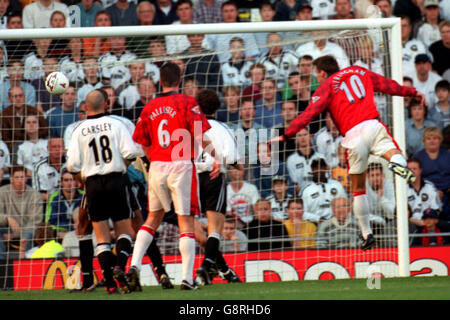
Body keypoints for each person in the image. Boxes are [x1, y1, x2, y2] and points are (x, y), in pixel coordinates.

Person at [268, 55, 426, 250]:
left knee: (358, 188)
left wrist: (285, 135)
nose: (317, 78)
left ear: (323, 72)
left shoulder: (326, 86)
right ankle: (398, 165)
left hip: (353, 136)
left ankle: (367, 233)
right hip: (372, 124)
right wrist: (412, 92)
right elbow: (389, 86)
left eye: (317, 73)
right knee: (393, 152)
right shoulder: (361, 72)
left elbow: (308, 114)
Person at [126, 62, 216, 291]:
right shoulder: (187, 103)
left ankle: (134, 266)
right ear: (180, 80)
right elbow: (200, 136)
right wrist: (216, 158)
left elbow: (142, 141)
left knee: (152, 218)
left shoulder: (149, 107)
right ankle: (187, 278)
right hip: (181, 164)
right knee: (185, 220)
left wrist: (153, 160)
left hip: (157, 165)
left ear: (160, 81)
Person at [67, 89, 139, 294]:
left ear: (85, 108)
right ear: (106, 104)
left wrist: (82, 181)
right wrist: (122, 165)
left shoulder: (78, 130)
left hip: (93, 184)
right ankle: (119, 266)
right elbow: (131, 153)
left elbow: (72, 165)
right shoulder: (117, 124)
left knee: (102, 238)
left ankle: (109, 284)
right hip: (116, 179)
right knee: (125, 232)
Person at [193, 88, 242, 286]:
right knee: (215, 229)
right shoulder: (223, 129)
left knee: (194, 231)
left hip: (191, 179)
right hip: (213, 177)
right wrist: (239, 166)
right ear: (218, 107)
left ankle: (223, 270)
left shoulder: (191, 127)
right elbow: (232, 159)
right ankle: (205, 267)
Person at [0, 166, 43, 261]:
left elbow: (36, 222)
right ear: (11, 179)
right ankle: (1, 263)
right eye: (17, 177)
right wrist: (7, 218)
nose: (19, 180)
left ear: (26, 179)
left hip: (27, 230)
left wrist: (15, 234)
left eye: (22, 177)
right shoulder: (2, 192)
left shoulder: (35, 195)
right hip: (7, 228)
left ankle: (24, 263)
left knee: (27, 235)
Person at [0, 86, 48, 153]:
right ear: (9, 99)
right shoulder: (4, 115)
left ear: (24, 97)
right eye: (15, 96)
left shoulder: (35, 112)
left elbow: (45, 131)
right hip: (14, 149)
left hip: (36, 145)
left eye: (20, 96)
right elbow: (6, 139)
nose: (18, 99)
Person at [301, 157, 348, 223]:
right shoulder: (307, 191)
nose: (319, 170)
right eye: (316, 167)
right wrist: (318, 219)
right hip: (316, 224)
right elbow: (303, 213)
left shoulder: (337, 185)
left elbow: (345, 204)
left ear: (326, 168)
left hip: (337, 222)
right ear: (312, 170)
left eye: (321, 167)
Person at [44, 169, 83, 240]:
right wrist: (67, 231)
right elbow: (50, 221)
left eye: (72, 180)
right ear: (61, 183)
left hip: (81, 232)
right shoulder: (54, 197)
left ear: (76, 182)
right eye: (66, 180)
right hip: (60, 234)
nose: (69, 183)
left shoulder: (83, 196)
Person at [286, 127, 324, 195]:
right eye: (299, 135)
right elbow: (295, 185)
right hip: (302, 196)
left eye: (305, 134)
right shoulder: (291, 160)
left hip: (320, 194)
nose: (303, 138)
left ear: (310, 137)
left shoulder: (321, 157)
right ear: (295, 139)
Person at [407, 157, 442, 231]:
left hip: (429, 223)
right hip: (410, 224)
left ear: (420, 170)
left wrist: (427, 222)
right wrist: (417, 222)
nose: (412, 171)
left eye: (414, 169)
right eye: (409, 169)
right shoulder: (402, 190)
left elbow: (437, 210)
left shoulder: (430, 187)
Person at [414, 126, 450, 196]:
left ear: (440, 140)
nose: (432, 141)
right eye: (428, 139)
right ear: (424, 141)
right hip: (426, 193)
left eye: (435, 138)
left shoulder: (447, 155)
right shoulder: (418, 157)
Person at [32, 136, 66, 202]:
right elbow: (37, 194)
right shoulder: (39, 167)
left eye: (59, 146)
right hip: (48, 203)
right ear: (48, 149)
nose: (57, 150)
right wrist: (57, 200)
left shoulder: (71, 164)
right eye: (54, 147)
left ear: (64, 148)